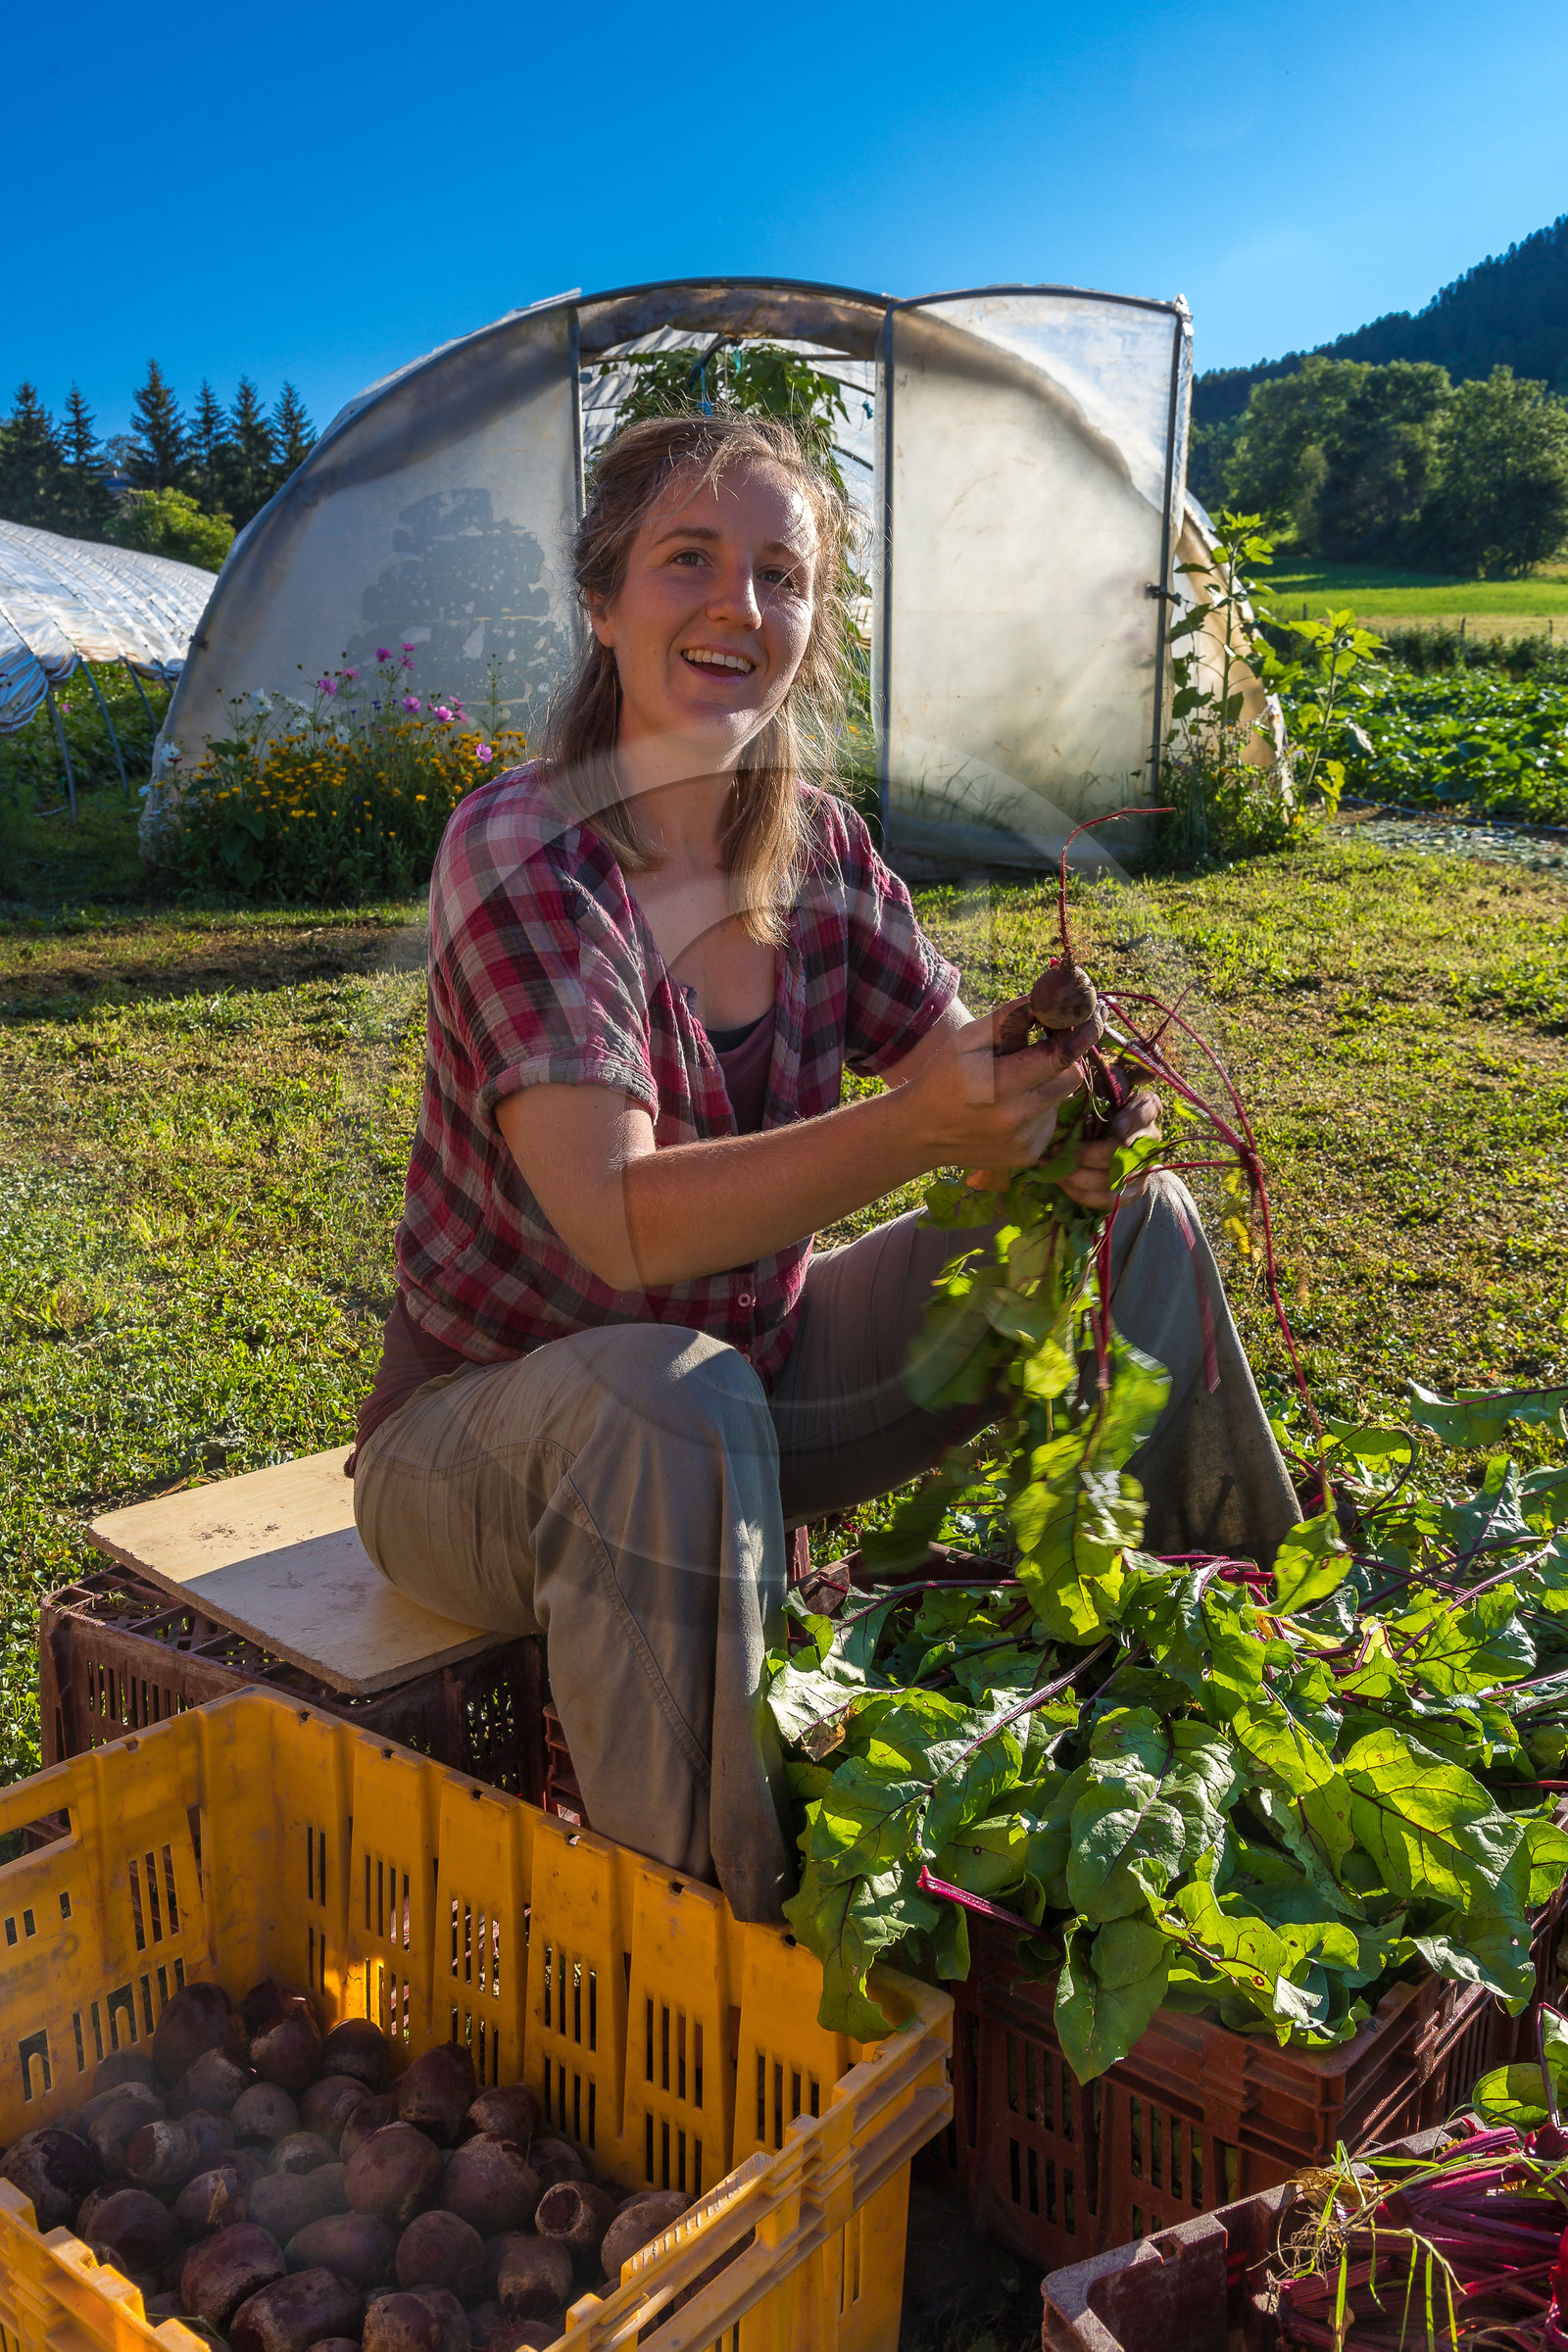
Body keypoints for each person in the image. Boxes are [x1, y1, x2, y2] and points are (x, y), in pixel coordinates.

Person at [350, 412, 1298, 1925]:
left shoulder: (822, 853)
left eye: (781, 576)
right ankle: (712, 1946)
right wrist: (921, 1130)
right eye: (689, 561)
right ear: (604, 601)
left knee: (1142, 1236)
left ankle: (1236, 1673)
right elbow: (614, 1228)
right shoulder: (526, 849)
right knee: (666, 1393)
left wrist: (1055, 1122)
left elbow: (948, 1082)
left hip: (752, 1393)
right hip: (488, 1452)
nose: (739, 606)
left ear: (811, 623)